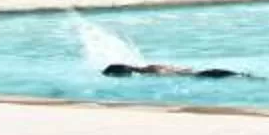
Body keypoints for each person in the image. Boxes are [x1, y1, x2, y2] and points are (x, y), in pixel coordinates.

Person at [103, 61, 250, 79]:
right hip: (195, 73)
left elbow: (172, 74)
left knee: (222, 75)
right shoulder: (151, 66)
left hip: (196, 76)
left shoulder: (150, 72)